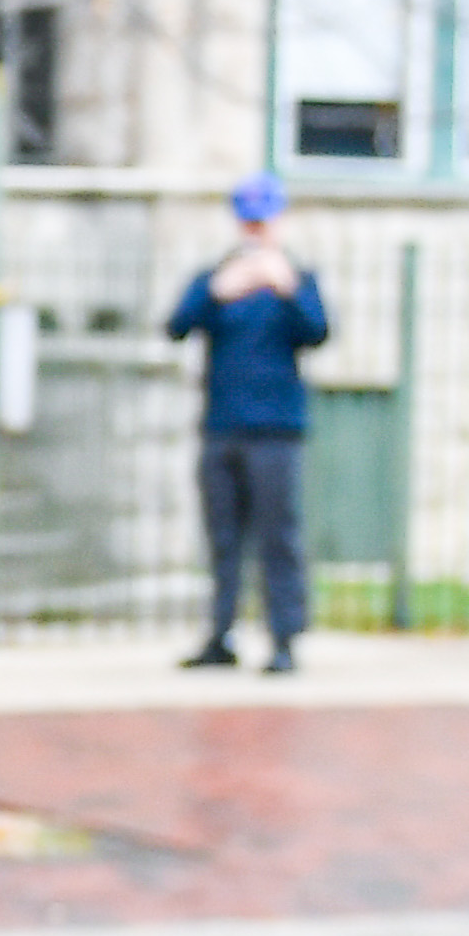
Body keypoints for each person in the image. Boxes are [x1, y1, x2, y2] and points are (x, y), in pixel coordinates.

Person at [169, 169, 329, 673]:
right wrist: (217, 291)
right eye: (248, 218)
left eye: (264, 217)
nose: (255, 227)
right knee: (223, 538)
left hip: (276, 431)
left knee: (278, 537)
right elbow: (176, 325)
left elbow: (318, 331)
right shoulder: (217, 278)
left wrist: (287, 290)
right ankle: (220, 635)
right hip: (222, 427)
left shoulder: (297, 279)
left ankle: (285, 640)